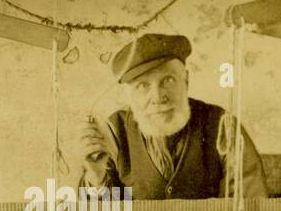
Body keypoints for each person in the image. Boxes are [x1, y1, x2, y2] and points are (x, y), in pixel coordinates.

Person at [78, 33, 268, 199]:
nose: (158, 97)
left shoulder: (224, 127)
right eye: (142, 86)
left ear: (185, 80)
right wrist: (97, 177)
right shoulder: (114, 132)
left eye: (168, 80)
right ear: (128, 95)